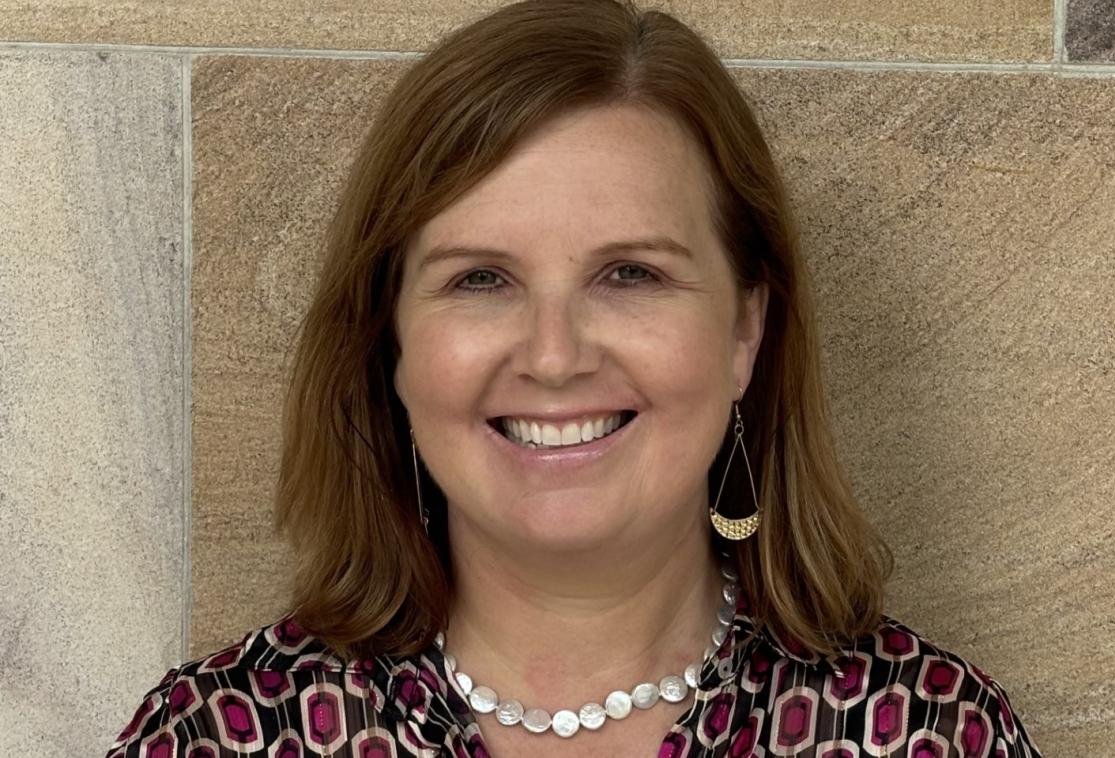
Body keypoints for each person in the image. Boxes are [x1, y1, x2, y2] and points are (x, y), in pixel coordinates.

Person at [107, 0, 1044, 755]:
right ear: (389, 340)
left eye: (629, 274)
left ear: (744, 329)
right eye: (481, 279)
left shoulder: (936, 730)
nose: (553, 356)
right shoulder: (213, 737)